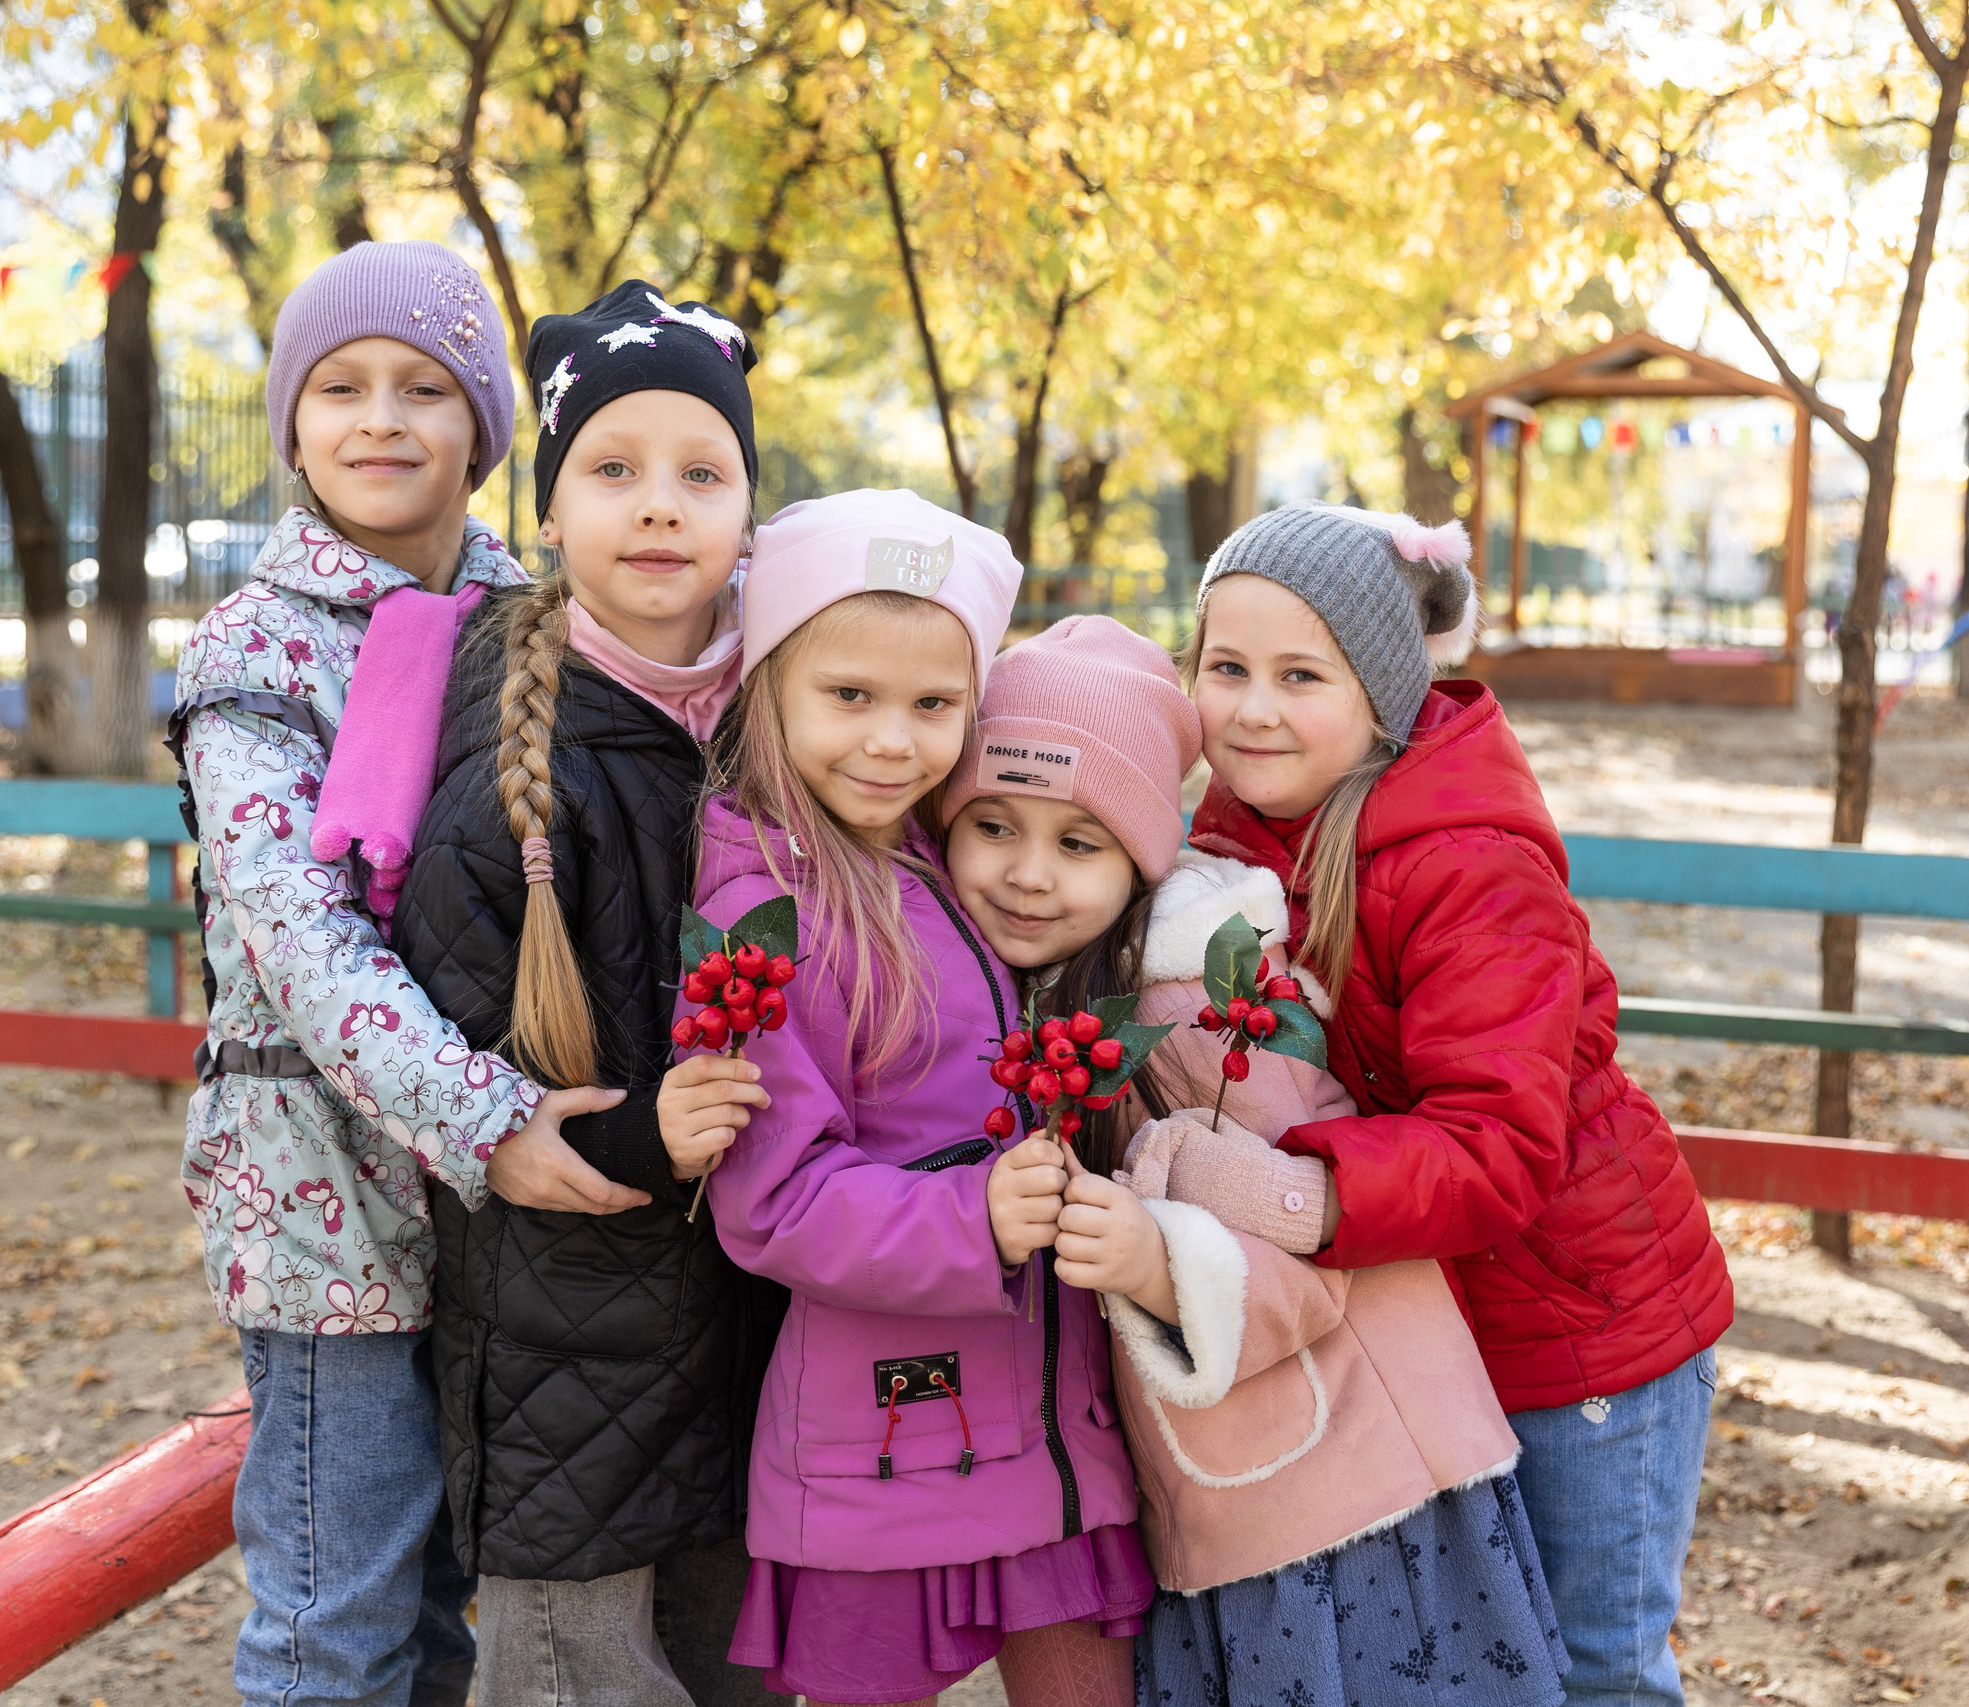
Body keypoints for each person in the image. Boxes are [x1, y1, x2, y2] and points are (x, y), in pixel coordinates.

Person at [171, 240, 643, 1707]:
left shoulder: (542, 622)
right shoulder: (257, 653)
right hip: (333, 1215)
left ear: (484, 427)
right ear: (294, 424)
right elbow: (302, 940)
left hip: (496, 1224)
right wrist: (492, 1118)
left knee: (454, 1604)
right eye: (341, 387)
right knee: (342, 1613)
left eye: (424, 387)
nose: (381, 418)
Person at [937, 615, 1568, 1707]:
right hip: (1238, 1487)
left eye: (1078, 843)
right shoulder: (1006, 996)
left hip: (1351, 1493)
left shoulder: (1199, 1021)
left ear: (1137, 858)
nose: (1029, 875)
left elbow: (1320, 1244)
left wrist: (1154, 1262)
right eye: (992, 826)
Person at [1165, 502, 1735, 1707]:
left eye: (1299, 674)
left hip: (1581, 1329)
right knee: (1486, 1660)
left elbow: (1497, 1147)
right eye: (1227, 668)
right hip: (1427, 1322)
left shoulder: (1465, 864)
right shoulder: (1230, 840)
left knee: (1594, 1667)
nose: (1254, 706)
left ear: (1378, 690)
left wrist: (1294, 1189)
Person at [655, 491, 1149, 1707]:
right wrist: (971, 1220)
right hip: (888, 1433)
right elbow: (773, 1198)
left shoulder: (938, 857)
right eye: (850, 697)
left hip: (1050, 1422)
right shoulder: (756, 913)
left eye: (934, 706)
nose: (892, 741)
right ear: (769, 685)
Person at [390, 281, 786, 1707]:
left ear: (752, 510)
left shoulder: (794, 721)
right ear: (552, 509)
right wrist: (636, 1139)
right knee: (580, 1674)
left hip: (757, 1337)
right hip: (575, 1350)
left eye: (702, 472)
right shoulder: (512, 756)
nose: (660, 506)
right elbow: (464, 1057)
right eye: (613, 471)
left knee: (739, 1668)